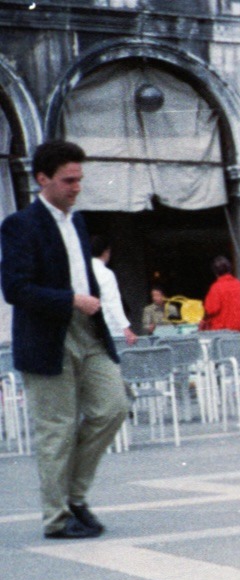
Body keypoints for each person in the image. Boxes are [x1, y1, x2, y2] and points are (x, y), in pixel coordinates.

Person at [0, 140, 129, 539]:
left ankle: (74, 495)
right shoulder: (20, 225)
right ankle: (57, 518)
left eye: (79, 179)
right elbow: (15, 289)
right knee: (55, 429)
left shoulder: (79, 221)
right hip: (47, 334)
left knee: (113, 407)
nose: (76, 187)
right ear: (43, 180)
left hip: (88, 331)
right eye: (68, 180)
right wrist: (70, 299)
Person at [88, 236, 136, 348]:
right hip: (109, 329)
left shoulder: (84, 272)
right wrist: (126, 327)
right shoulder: (106, 274)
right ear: (106, 252)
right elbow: (113, 302)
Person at [200, 255, 240, 332]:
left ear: (215, 272)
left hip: (224, 329)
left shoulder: (216, 287)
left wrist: (203, 321)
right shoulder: (238, 283)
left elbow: (211, 310)